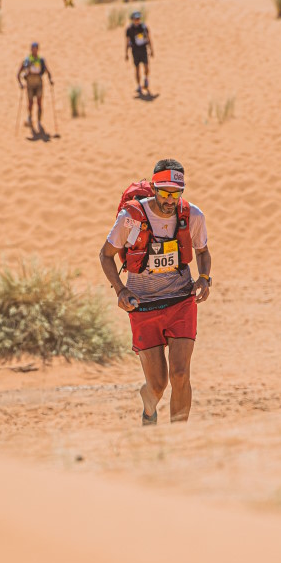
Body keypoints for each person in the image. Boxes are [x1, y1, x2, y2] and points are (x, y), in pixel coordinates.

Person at [98, 159, 212, 425]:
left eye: (176, 192)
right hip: (143, 304)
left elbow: (203, 252)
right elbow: (106, 255)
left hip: (181, 300)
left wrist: (204, 279)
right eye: (164, 192)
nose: (170, 199)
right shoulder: (131, 219)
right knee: (158, 385)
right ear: (153, 188)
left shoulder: (192, 215)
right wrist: (120, 290)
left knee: (181, 374)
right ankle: (149, 406)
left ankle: (178, 442)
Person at [17, 42, 54, 133]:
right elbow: (18, 74)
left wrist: (50, 80)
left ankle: (39, 121)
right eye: (33, 48)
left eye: (36, 48)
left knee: (39, 103)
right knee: (30, 103)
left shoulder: (41, 60)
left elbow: (47, 71)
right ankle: (30, 117)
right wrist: (20, 84)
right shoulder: (27, 61)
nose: (34, 50)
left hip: (39, 84)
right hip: (30, 84)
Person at [125, 11, 153, 95]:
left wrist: (151, 50)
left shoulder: (144, 27)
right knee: (137, 69)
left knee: (146, 67)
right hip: (135, 51)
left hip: (143, 50)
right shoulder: (129, 29)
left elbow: (148, 39)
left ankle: (146, 78)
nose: (137, 20)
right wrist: (126, 53)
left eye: (138, 18)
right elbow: (127, 41)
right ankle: (138, 86)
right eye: (136, 19)